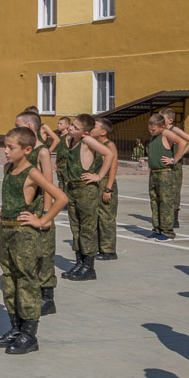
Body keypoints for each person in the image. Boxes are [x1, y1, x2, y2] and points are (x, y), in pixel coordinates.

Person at [0, 127, 68, 355]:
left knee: (26, 280)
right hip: (6, 230)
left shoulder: (32, 172)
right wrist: (6, 210)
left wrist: (42, 220)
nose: (6, 151)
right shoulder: (7, 169)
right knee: (9, 278)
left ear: (27, 149)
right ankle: (16, 328)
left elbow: (61, 197)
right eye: (5, 146)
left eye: (11, 147)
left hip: (24, 235)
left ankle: (29, 334)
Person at [61, 114, 116, 280]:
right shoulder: (72, 141)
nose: (71, 128)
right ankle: (80, 262)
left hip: (86, 190)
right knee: (76, 227)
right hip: (72, 188)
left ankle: (89, 267)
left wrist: (99, 176)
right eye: (72, 125)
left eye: (76, 128)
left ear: (85, 132)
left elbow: (109, 154)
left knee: (87, 228)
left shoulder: (87, 141)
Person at [17, 111, 59, 315]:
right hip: (26, 210)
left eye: (18, 125)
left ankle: (47, 298)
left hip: (40, 210)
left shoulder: (42, 151)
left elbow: (49, 185)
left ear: (30, 127)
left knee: (44, 253)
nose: (15, 128)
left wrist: (46, 215)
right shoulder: (24, 150)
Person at [147, 113, 187, 240]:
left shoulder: (165, 134)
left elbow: (182, 142)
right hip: (154, 173)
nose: (151, 132)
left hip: (164, 173)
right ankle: (157, 229)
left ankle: (167, 231)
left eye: (154, 130)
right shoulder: (154, 136)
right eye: (150, 129)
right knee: (155, 201)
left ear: (162, 127)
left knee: (165, 202)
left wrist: (174, 159)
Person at [161, 108, 189, 230]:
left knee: (175, 190)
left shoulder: (174, 130)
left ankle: (174, 218)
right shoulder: (162, 131)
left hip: (174, 165)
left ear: (170, 120)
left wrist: (178, 156)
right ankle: (166, 216)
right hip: (165, 164)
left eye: (163, 119)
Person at [92, 117, 120, 260]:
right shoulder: (95, 144)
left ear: (103, 132)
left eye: (95, 127)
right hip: (96, 183)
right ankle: (98, 247)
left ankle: (108, 250)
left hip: (105, 182)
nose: (91, 128)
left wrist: (108, 188)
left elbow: (113, 167)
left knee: (106, 217)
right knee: (96, 217)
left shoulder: (109, 145)